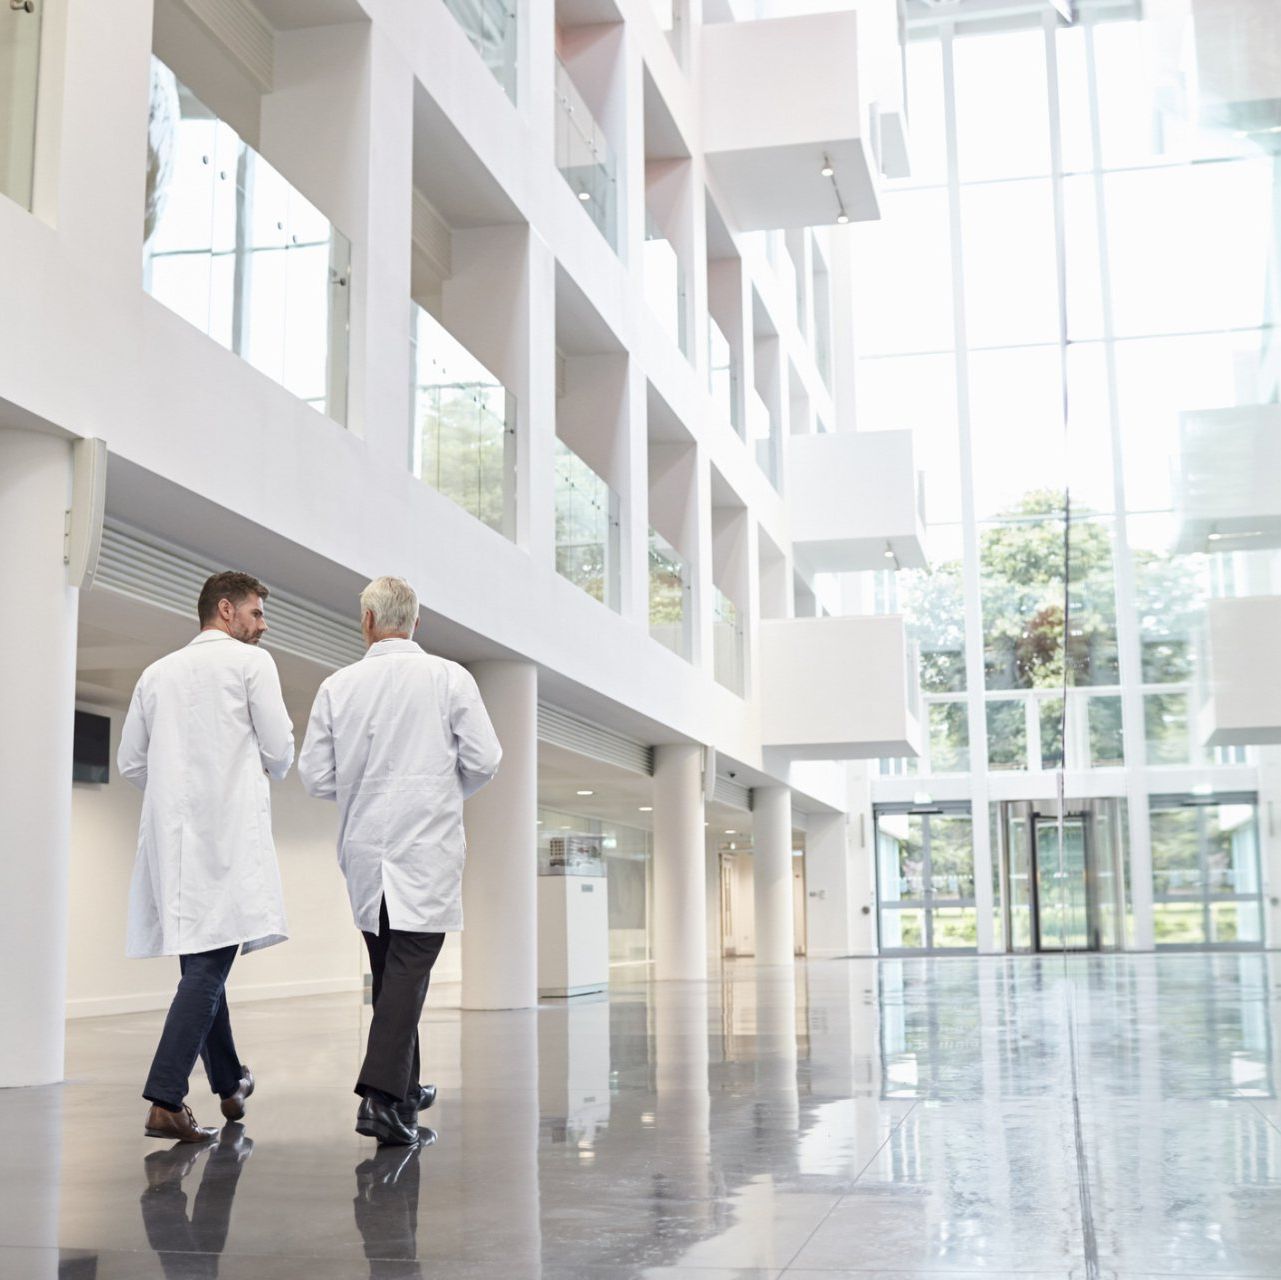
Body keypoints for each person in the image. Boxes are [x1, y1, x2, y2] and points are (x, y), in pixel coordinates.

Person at [298, 576, 501, 1146]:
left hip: (366, 854)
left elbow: (316, 776)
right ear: (417, 621)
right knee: (407, 976)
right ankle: (381, 1099)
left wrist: (365, 788)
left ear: (366, 622)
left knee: (392, 975)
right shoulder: (448, 678)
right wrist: (439, 790)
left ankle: (405, 1091)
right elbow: (485, 759)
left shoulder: (338, 685)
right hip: (425, 850)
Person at [119, 571, 295, 1143]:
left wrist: (175, 790)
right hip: (227, 837)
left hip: (174, 845)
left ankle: (229, 1080)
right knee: (209, 969)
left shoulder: (156, 673)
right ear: (226, 610)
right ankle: (166, 1098)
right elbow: (280, 750)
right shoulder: (251, 666)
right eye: (257, 614)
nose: (263, 626)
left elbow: (131, 764)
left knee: (202, 967)